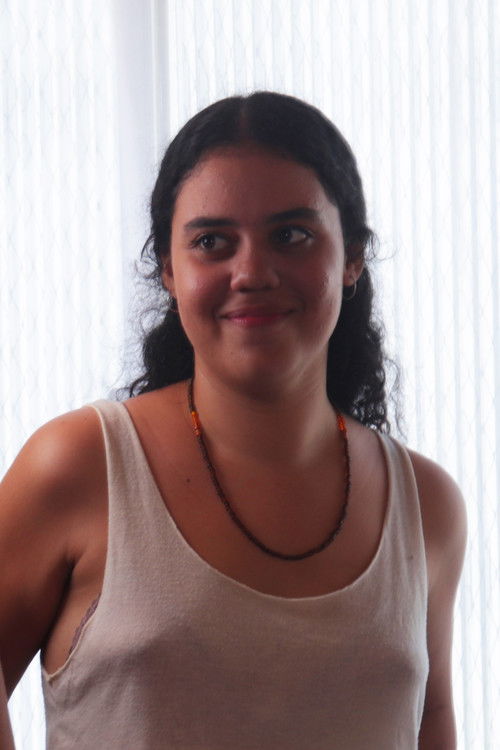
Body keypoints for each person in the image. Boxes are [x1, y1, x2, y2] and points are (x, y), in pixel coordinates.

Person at [0, 92, 466, 749]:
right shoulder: (78, 465)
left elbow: (431, 719)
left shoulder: (427, 504)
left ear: (352, 257)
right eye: (212, 242)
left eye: (291, 235)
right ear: (169, 268)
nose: (251, 272)